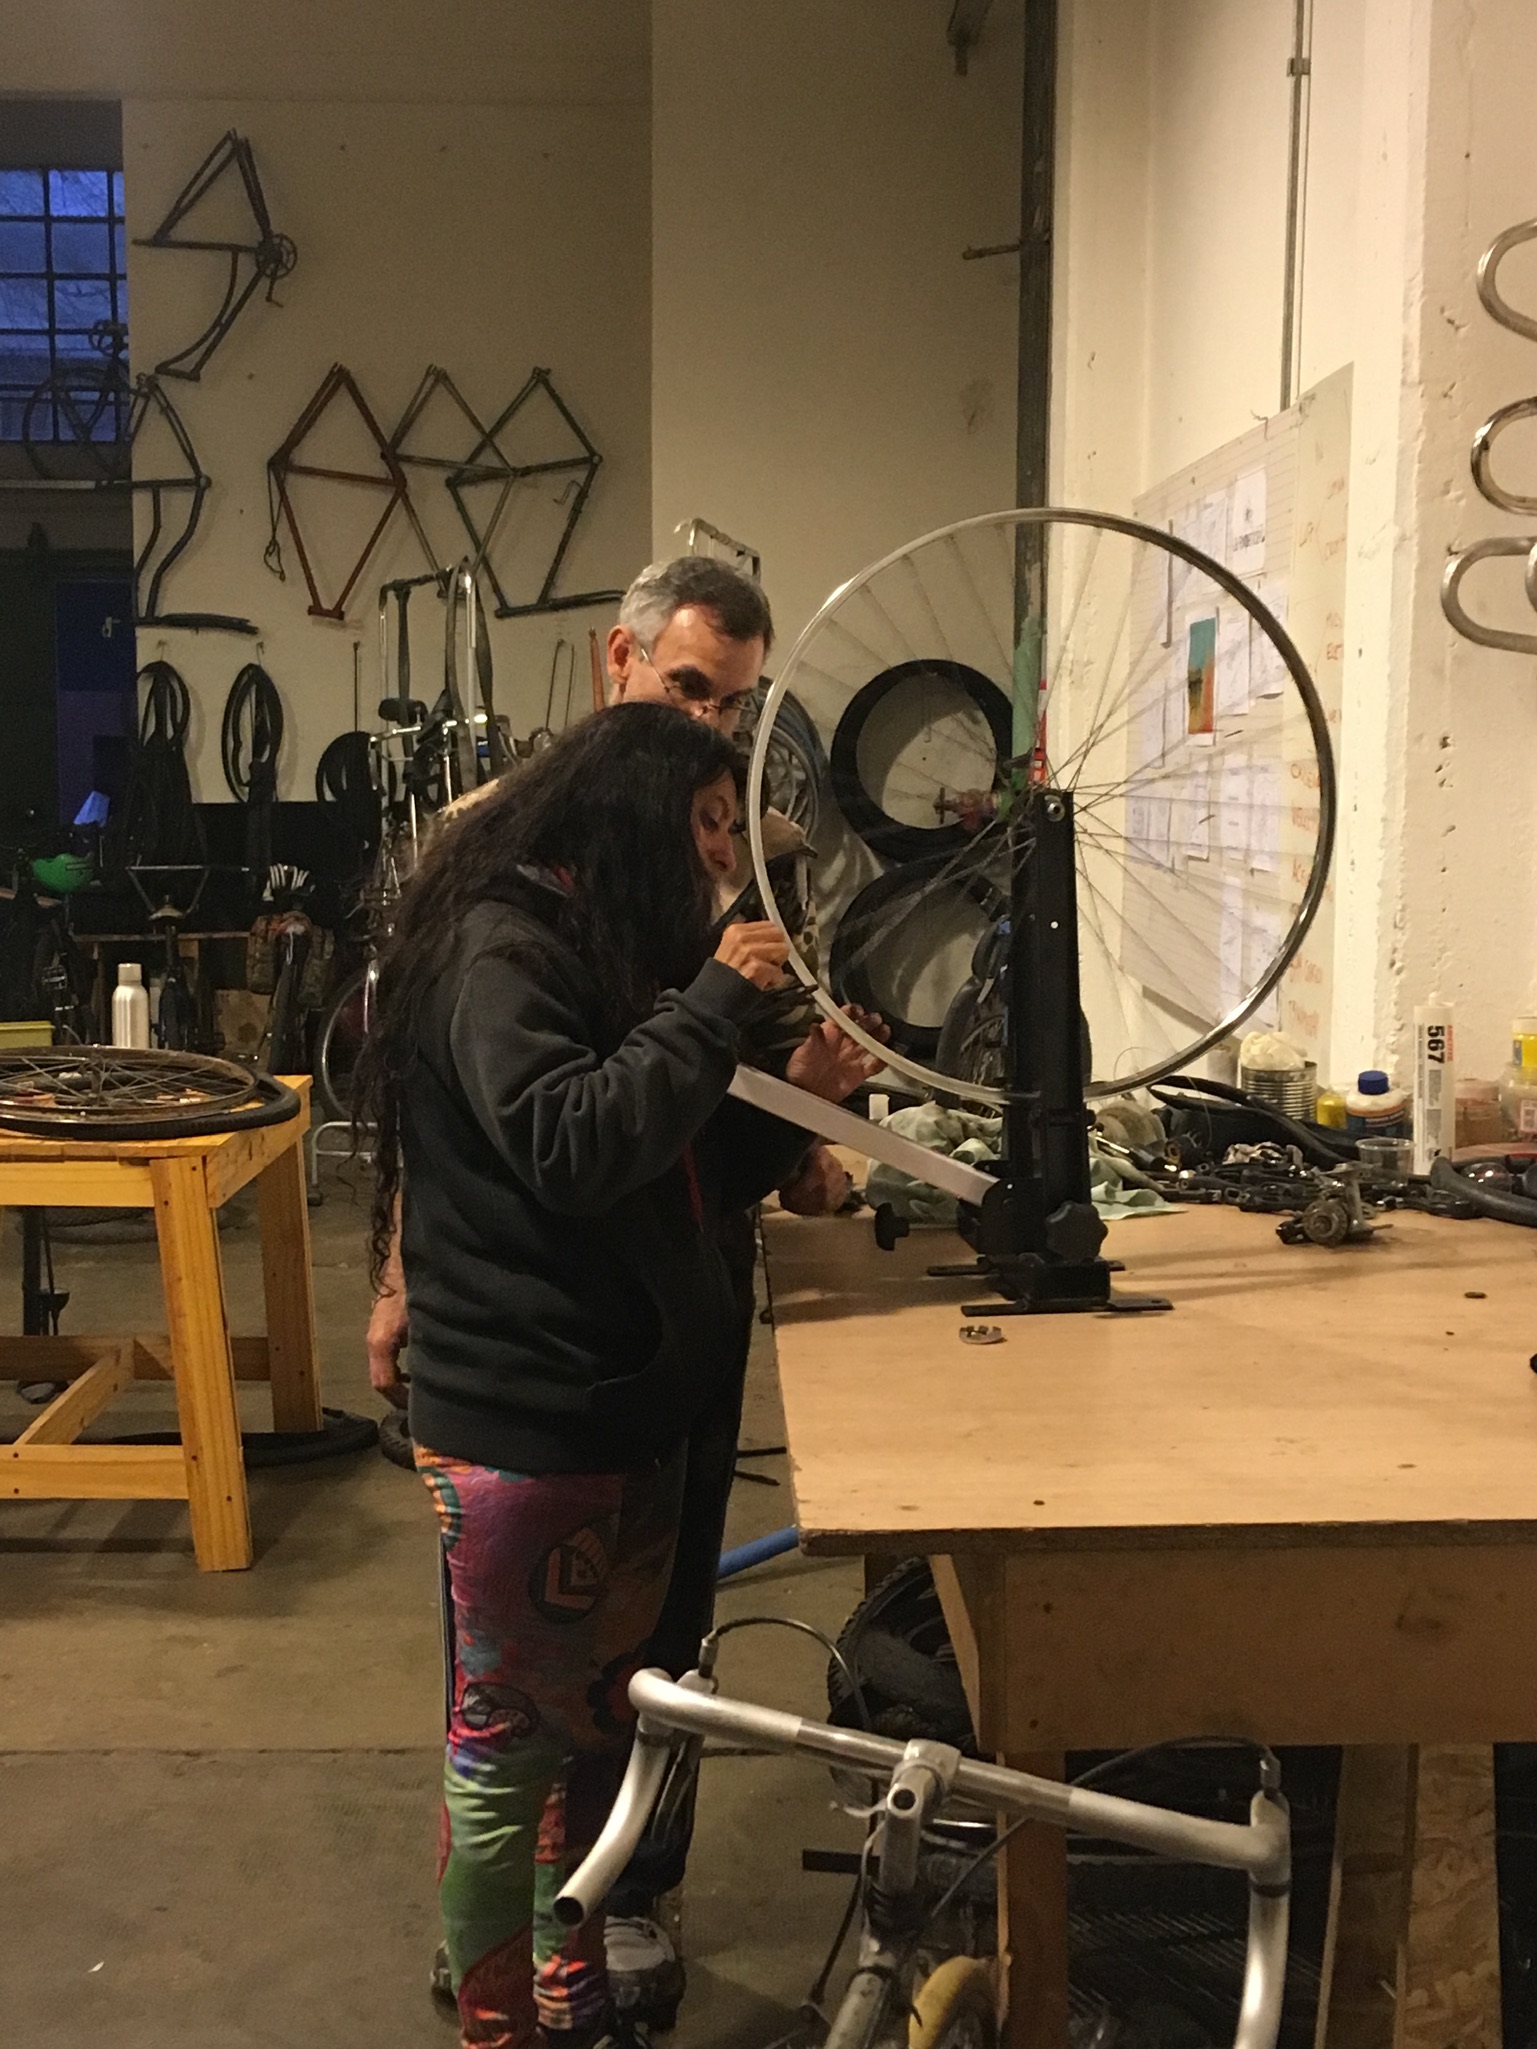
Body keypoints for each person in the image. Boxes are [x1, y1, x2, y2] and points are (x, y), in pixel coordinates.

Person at [355, 702, 879, 2049]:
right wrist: (713, 1000)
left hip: (626, 1411)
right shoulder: (501, 950)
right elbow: (572, 1143)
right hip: (529, 1427)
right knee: (506, 1753)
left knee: (600, 1732)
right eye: (703, 824)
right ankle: (497, 2024)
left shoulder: (603, 946)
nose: (722, 857)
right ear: (625, 813)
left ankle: (566, 1988)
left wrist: (802, 1094)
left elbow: (663, 1170)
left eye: (727, 828)